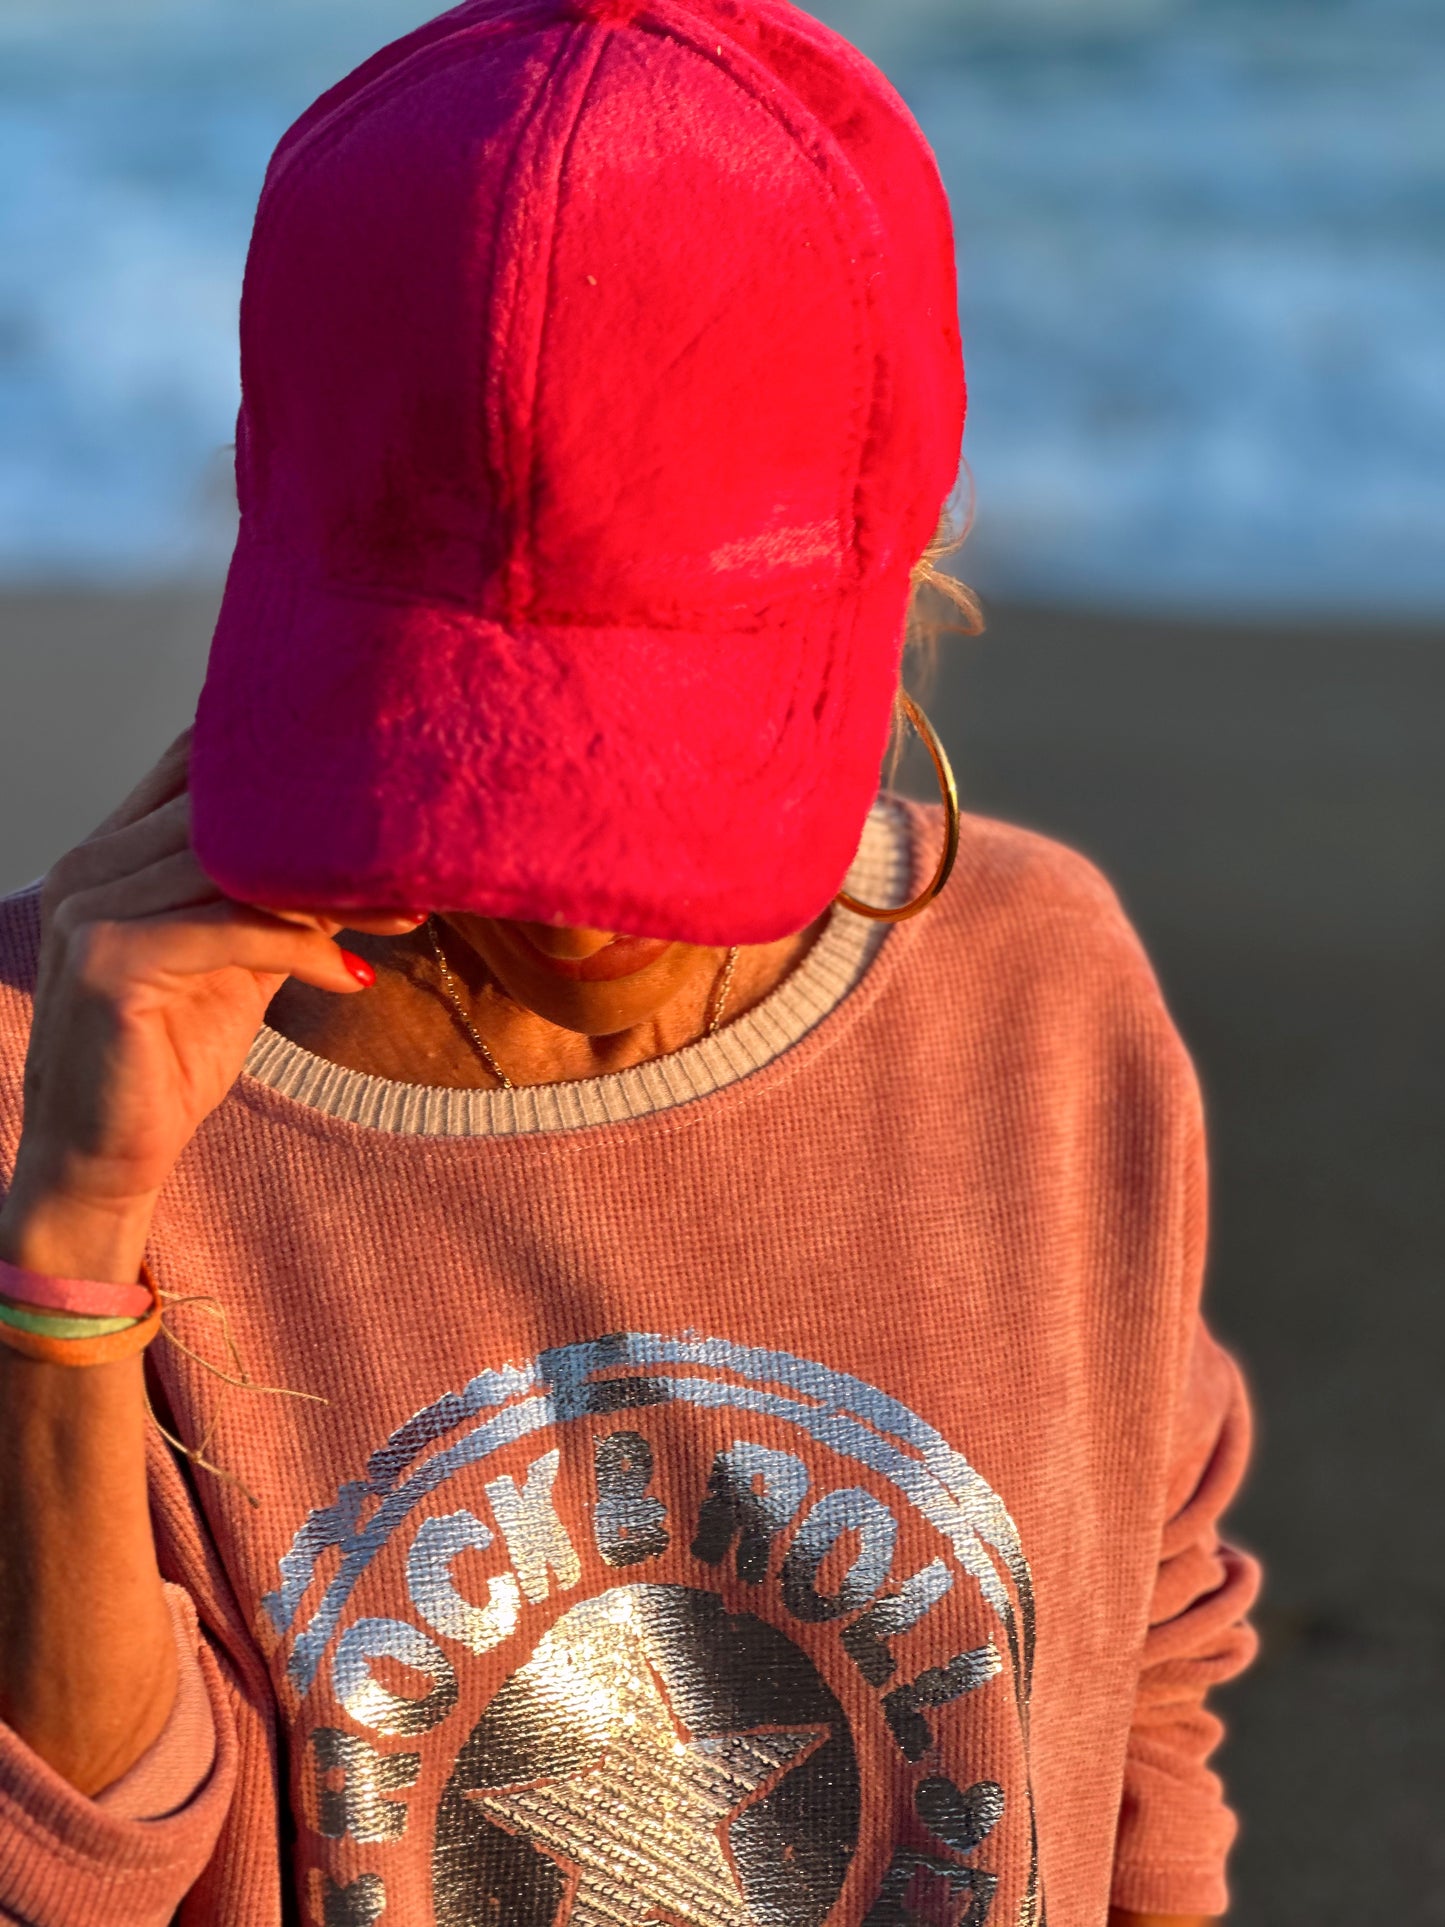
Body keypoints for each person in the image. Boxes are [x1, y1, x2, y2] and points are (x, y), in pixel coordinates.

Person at [0, 3, 1262, 1924]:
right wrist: (69, 1247)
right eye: (484, 729)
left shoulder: (1038, 993)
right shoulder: (55, 1076)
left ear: (912, 542)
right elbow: (69, 1880)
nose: (586, 893)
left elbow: (1142, 1659)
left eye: (659, 728)